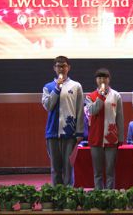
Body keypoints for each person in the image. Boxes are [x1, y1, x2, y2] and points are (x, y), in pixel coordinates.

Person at [41, 55, 84, 186]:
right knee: (55, 168)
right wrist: (57, 88)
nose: (61, 69)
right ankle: (56, 194)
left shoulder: (76, 86)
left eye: (64, 66)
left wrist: (79, 132)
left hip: (69, 133)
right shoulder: (48, 87)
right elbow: (48, 106)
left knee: (68, 167)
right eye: (58, 66)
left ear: (68, 67)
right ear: (54, 68)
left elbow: (80, 110)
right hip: (52, 133)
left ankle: (68, 194)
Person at [84, 68, 124, 189]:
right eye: (100, 78)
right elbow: (92, 111)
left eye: (105, 78)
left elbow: (120, 117)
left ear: (109, 79)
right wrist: (101, 96)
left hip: (111, 138)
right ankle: (99, 195)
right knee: (98, 172)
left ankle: (110, 195)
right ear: (96, 80)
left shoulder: (116, 95)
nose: (102, 80)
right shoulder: (90, 96)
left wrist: (120, 137)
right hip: (96, 138)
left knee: (110, 171)